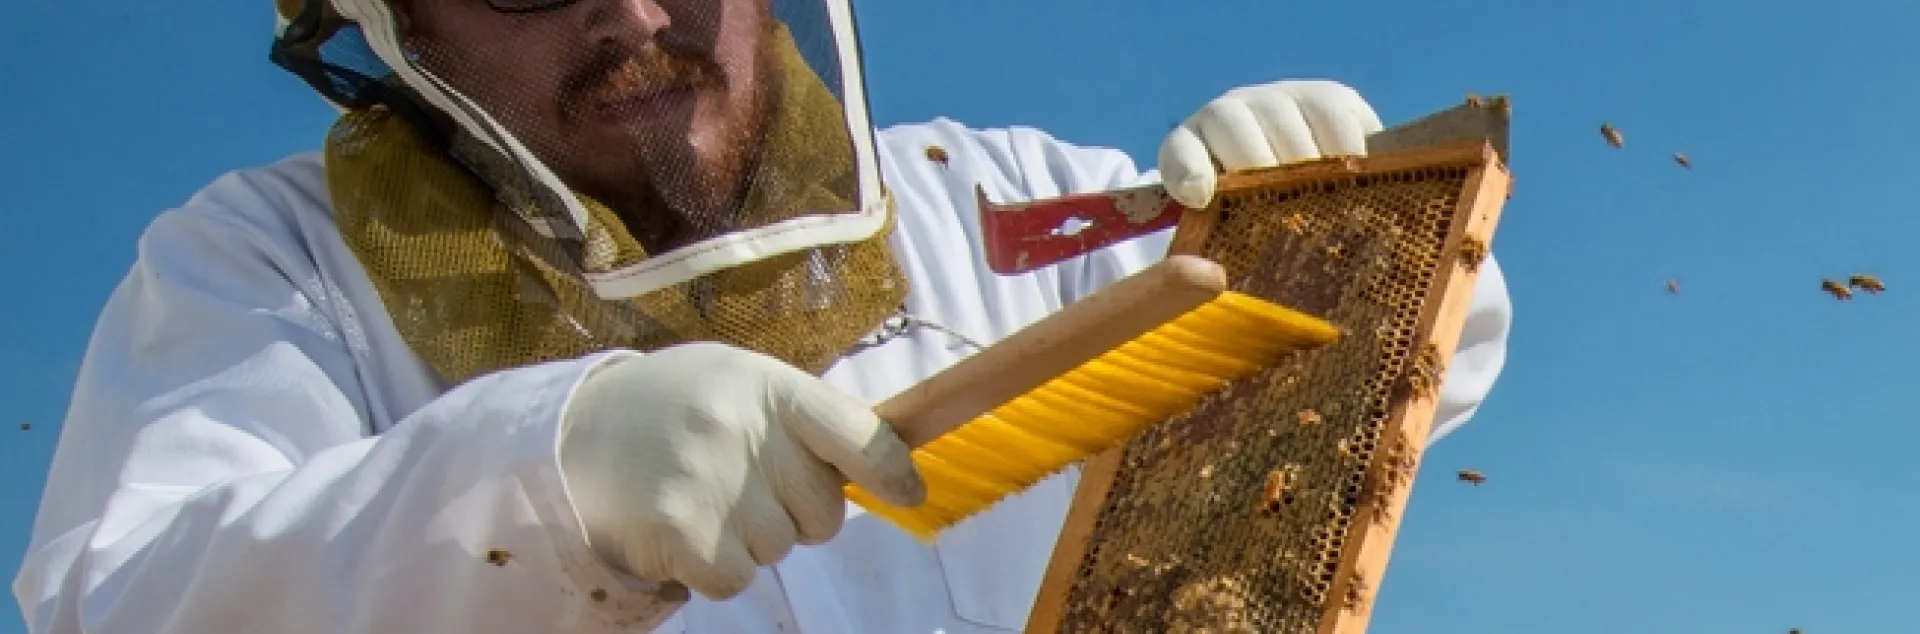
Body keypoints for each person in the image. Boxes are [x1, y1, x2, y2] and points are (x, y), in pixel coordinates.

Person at [12, 0, 1514, 632]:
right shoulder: (271, 270)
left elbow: (1379, 402)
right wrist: (538, 485)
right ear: (400, 26)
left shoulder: (1008, 198)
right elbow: (122, 600)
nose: (630, 16)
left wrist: (1337, 238)